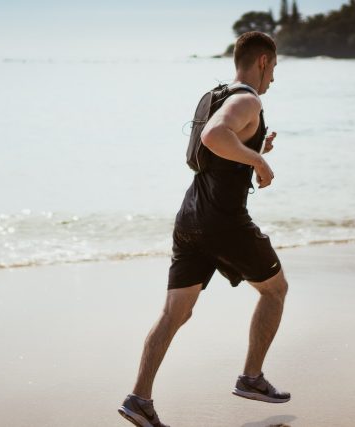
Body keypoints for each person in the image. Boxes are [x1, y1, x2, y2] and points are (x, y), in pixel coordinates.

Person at [118, 31, 290, 427]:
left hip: (190, 218)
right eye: (275, 68)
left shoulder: (213, 96)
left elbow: (203, 156)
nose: (274, 79)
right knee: (275, 291)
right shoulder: (248, 99)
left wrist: (252, 150)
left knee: (175, 312)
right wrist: (259, 162)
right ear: (263, 61)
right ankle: (251, 378)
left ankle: (138, 399)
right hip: (223, 222)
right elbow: (214, 137)